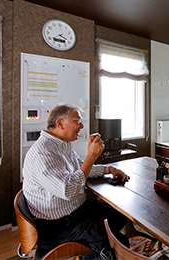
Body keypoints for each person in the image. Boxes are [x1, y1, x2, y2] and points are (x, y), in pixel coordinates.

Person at [22, 103, 130, 258]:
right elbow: (68, 190)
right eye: (77, 121)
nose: (82, 125)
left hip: (76, 210)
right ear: (60, 123)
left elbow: (80, 169)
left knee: (119, 215)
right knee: (120, 243)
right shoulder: (43, 153)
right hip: (58, 225)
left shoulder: (63, 145)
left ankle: (92, 252)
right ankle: (101, 250)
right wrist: (91, 156)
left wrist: (108, 169)